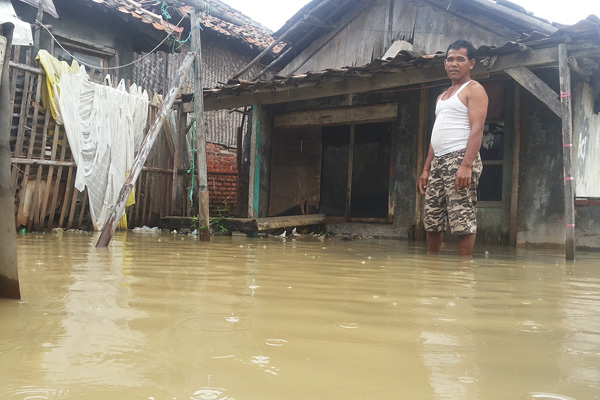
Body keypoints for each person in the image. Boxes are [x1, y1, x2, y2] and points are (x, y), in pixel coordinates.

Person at [418, 40, 488, 257]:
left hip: (460, 157)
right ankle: (433, 265)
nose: (454, 64)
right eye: (450, 59)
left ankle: (464, 270)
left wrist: (466, 165)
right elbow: (435, 134)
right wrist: (426, 168)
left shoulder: (474, 89)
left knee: (462, 216)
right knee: (432, 217)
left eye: (460, 59)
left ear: (472, 63)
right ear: (444, 63)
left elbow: (477, 128)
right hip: (438, 160)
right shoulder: (442, 96)